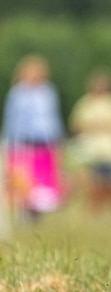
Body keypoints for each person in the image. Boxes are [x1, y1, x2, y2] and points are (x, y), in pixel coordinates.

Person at [2, 54, 65, 221]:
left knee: (42, 179)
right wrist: (7, 141)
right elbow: (11, 119)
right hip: (23, 141)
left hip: (44, 140)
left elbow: (54, 117)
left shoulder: (48, 92)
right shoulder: (17, 94)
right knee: (23, 178)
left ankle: (37, 212)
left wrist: (58, 140)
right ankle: (25, 211)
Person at [69, 69, 111, 213]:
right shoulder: (85, 103)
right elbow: (77, 126)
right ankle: (95, 208)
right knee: (94, 182)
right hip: (92, 149)